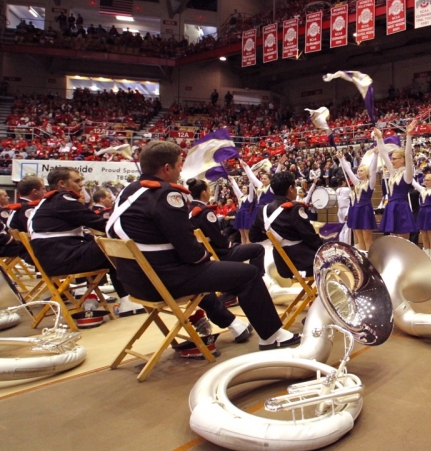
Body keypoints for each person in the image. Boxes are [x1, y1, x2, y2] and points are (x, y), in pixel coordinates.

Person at [109, 141, 298, 350]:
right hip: (164, 281)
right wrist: (206, 259)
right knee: (249, 273)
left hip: (134, 280)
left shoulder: (129, 192)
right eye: (179, 164)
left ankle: (233, 323)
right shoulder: (166, 194)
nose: (180, 169)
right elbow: (191, 253)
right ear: (167, 168)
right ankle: (272, 336)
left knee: (215, 274)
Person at [28, 167, 142, 316]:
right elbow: (99, 223)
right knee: (114, 246)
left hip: (56, 256)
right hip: (62, 258)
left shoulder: (52, 200)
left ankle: (120, 298)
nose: (81, 184)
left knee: (106, 245)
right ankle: (129, 299)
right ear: (62, 183)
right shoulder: (63, 200)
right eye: (77, 181)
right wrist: (136, 228)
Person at [186, 178, 268, 307]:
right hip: (219, 252)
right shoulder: (205, 212)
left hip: (204, 251)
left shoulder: (190, 211)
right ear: (203, 193)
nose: (210, 191)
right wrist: (229, 244)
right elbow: (218, 238)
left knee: (242, 245)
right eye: (208, 189)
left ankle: (233, 291)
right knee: (257, 249)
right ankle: (254, 284)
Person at [249, 171, 324, 280]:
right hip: (304, 263)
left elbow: (253, 237)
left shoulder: (262, 210)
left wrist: (276, 235)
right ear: (291, 188)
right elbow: (310, 238)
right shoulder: (294, 208)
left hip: (283, 266)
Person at [376, 121, 418, 238]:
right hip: (391, 206)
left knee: (403, 243)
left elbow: (409, 156)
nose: (392, 161)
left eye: (394, 159)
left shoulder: (407, 173)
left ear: (402, 160)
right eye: (392, 159)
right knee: (393, 240)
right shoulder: (393, 173)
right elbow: (384, 155)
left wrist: (409, 135)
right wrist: (379, 138)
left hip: (402, 206)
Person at [339, 148, 378, 250]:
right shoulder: (357, 183)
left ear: (366, 172)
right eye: (358, 171)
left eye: (361, 171)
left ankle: (370, 259)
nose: (359, 172)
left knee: (367, 238)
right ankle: (362, 258)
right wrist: (342, 159)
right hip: (355, 210)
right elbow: (348, 170)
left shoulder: (370, 183)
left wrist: (376, 155)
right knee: (359, 238)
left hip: (365, 210)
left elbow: (373, 170)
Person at [411, 158, 431, 263]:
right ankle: (427, 255)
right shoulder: (422, 190)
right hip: (422, 213)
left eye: (428, 180)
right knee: (424, 236)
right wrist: (407, 168)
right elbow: (412, 181)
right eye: (424, 180)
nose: (425, 181)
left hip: (430, 213)